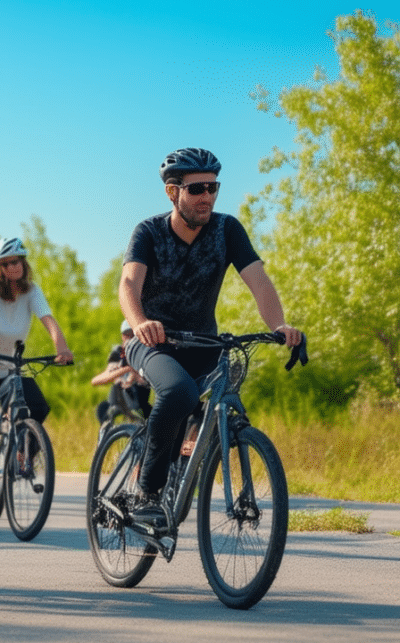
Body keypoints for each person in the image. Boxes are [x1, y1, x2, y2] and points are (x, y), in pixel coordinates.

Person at [119, 147, 302, 532]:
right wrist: (139, 323)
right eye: (197, 188)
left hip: (202, 343)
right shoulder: (149, 232)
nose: (207, 197)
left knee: (216, 398)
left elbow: (259, 283)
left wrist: (281, 324)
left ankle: (183, 465)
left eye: (213, 187)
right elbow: (128, 284)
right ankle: (147, 491)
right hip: (151, 342)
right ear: (173, 192)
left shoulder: (226, 229)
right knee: (180, 393)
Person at [0, 237, 73, 486]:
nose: (12, 267)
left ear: (23, 262)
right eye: (5, 263)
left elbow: (48, 320)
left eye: (15, 261)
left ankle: (22, 457)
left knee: (39, 407)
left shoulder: (32, 291)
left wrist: (62, 348)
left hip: (10, 369)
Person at [90, 321, 151, 423]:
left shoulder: (146, 349)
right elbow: (101, 378)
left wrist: (130, 374)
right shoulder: (119, 351)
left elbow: (143, 381)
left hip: (138, 399)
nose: (130, 338)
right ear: (122, 336)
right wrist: (126, 369)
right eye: (127, 335)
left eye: (133, 335)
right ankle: (108, 427)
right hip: (119, 399)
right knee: (105, 406)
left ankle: (137, 420)